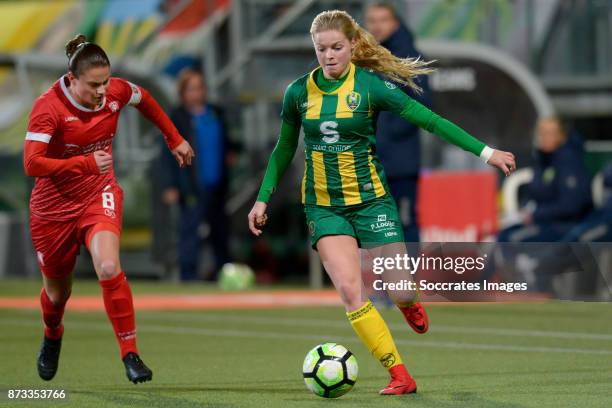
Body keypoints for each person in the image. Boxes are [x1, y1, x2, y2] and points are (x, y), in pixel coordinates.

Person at [247, 10, 515, 395]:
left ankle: (408, 303)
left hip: (372, 203)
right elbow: (284, 147)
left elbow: (429, 120)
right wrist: (262, 199)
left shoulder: (371, 87)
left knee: (400, 290)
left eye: (337, 47)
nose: (329, 55)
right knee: (349, 290)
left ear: (353, 46)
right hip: (324, 207)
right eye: (321, 48)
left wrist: (486, 152)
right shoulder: (298, 93)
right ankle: (399, 374)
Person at [24, 34, 194, 383]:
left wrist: (173, 138)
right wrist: (84, 164)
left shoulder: (114, 92)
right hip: (52, 209)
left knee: (107, 264)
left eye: (105, 82)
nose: (103, 92)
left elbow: (144, 98)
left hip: (97, 194)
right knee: (58, 294)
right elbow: (32, 164)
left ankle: (130, 354)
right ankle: (52, 335)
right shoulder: (49, 108)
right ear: (72, 80)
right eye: (94, 85)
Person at [480, 117, 592, 287]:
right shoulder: (542, 161)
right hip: (542, 221)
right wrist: (525, 212)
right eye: (541, 133)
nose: (543, 138)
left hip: (564, 225)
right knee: (504, 234)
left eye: (549, 133)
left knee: (513, 238)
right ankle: (482, 283)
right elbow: (535, 195)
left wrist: (535, 214)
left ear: (560, 136)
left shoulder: (568, 161)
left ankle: (525, 284)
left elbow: (571, 205)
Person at [365, 1, 431, 242]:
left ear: (395, 23)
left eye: (383, 20)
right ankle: (388, 278)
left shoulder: (409, 56)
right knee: (381, 223)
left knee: (404, 221)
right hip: (373, 160)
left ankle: (405, 278)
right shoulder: (367, 58)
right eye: (372, 21)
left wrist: (388, 133)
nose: (377, 26)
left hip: (400, 160)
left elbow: (423, 104)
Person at [159, 68, 232, 281]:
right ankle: (188, 277)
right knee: (189, 233)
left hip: (217, 183)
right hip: (191, 185)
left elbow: (226, 142)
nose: (196, 93)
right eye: (191, 89)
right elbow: (166, 155)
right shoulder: (177, 117)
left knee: (220, 232)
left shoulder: (216, 113)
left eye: (199, 88)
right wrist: (170, 185)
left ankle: (225, 274)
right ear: (182, 92)